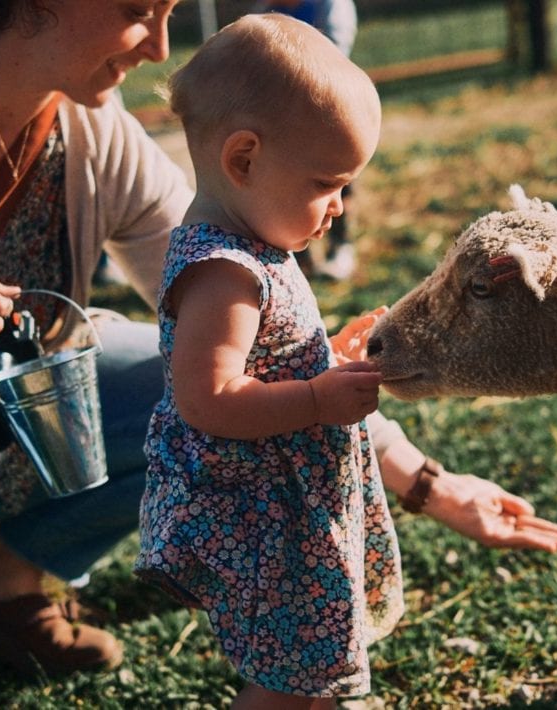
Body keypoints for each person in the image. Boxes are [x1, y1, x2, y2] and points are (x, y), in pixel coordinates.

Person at [0, 0, 557, 680]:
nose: (157, 48)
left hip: (20, 421)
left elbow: (257, 347)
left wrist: (431, 486)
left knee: (170, 382)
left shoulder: (91, 136)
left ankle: (8, 576)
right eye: (137, 9)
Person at [135, 17, 402, 704]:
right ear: (244, 160)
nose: (339, 207)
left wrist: (325, 356)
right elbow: (210, 399)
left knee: (311, 664)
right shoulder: (222, 271)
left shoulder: (254, 244)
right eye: (328, 183)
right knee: (286, 677)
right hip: (265, 522)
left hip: (291, 508)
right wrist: (315, 399)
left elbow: (264, 358)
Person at [251, 0, 359, 280]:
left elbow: (333, 54)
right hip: (281, 116)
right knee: (290, 184)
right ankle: (300, 255)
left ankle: (341, 246)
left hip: (328, 107)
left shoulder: (330, 6)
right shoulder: (263, 12)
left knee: (334, 184)